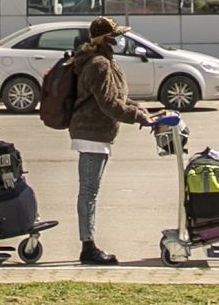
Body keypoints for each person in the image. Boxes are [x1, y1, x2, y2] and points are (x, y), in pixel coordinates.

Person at [68, 16, 157, 266]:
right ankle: (88, 247)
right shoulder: (98, 64)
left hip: (98, 133)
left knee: (90, 191)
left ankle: (89, 244)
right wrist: (138, 116)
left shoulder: (106, 62)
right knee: (88, 192)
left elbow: (118, 98)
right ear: (105, 39)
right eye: (115, 36)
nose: (119, 40)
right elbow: (109, 105)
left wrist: (141, 109)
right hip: (90, 133)